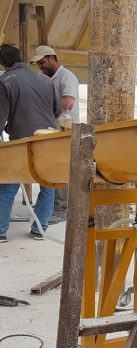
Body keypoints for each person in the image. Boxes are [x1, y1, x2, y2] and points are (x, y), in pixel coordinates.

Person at [0, 44, 60, 243]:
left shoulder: (5, 81)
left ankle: (0, 231)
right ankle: (39, 229)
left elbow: (1, 118)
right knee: (47, 184)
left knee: (8, 184)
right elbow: (56, 113)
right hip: (49, 138)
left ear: (3, 64)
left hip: (23, 140)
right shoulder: (44, 80)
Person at [31, 45, 80, 224]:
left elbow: (68, 102)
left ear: (52, 58)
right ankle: (53, 207)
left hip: (66, 129)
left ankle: (62, 208)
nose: (41, 66)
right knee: (51, 168)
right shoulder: (44, 78)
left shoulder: (67, 77)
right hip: (52, 129)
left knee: (62, 169)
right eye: (38, 64)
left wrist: (45, 104)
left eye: (43, 62)